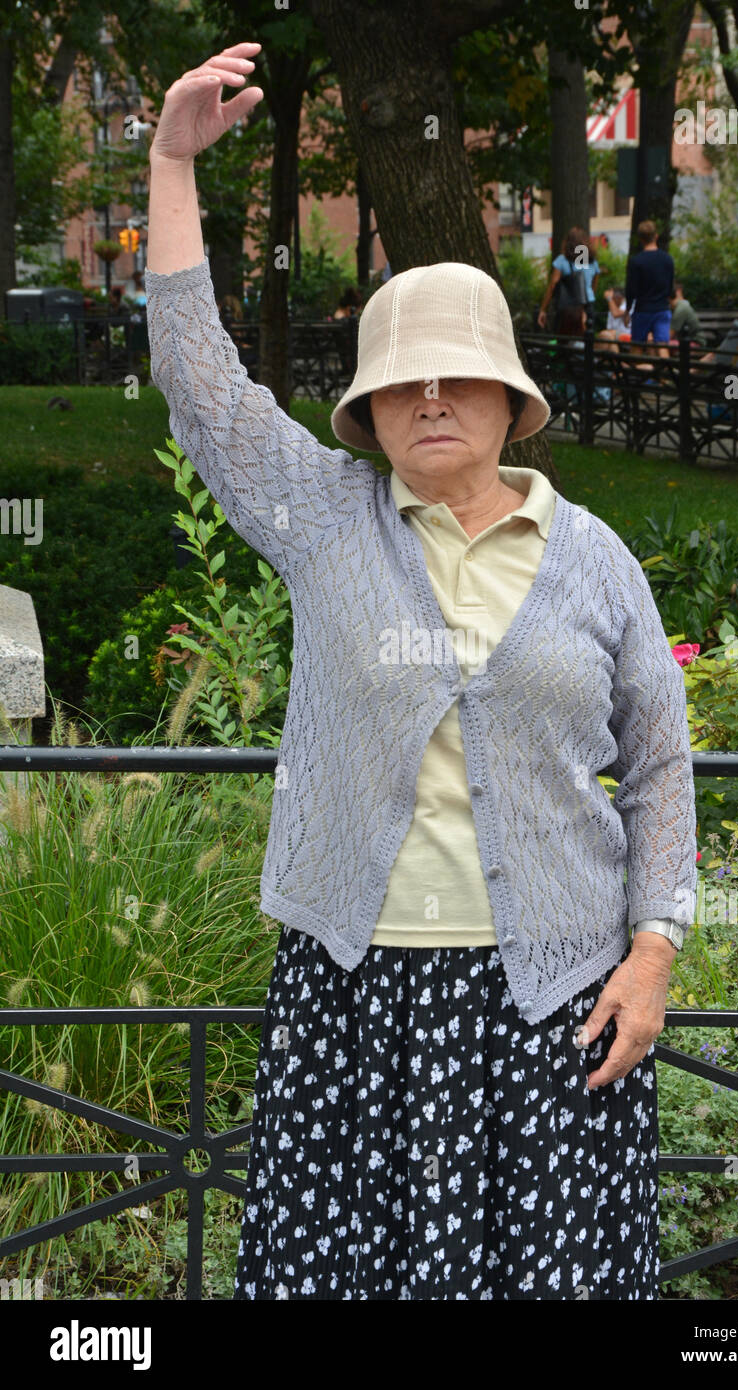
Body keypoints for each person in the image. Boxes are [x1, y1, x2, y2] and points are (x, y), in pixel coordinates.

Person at [145, 40, 697, 1301]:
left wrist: (651, 956)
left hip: (555, 1001)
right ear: (369, 407)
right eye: (402, 380)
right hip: (353, 996)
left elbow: (659, 767)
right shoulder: (320, 519)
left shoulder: (596, 561)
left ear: (510, 402)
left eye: (460, 377)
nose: (431, 396)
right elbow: (197, 380)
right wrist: (171, 162)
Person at [625, 220, 675, 352]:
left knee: (637, 347)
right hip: (662, 308)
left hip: (643, 309)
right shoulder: (667, 259)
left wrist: (627, 310)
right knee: (662, 346)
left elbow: (631, 289)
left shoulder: (636, 261)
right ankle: (665, 371)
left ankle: (635, 372)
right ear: (656, 236)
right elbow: (670, 286)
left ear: (640, 239)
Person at [537, 226, 589, 336]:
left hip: (564, 309)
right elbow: (585, 285)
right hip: (579, 309)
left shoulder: (561, 261)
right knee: (579, 338)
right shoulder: (583, 260)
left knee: (562, 338)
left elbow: (553, 285)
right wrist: (583, 309)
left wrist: (543, 309)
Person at [669, 282, 703, 347]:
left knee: (660, 344)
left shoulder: (681, 308)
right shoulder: (681, 306)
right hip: (686, 341)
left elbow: (670, 335)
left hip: (695, 342)